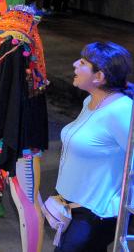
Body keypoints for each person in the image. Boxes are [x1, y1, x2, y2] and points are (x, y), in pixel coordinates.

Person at [53, 42, 132, 252]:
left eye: (83, 62)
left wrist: (119, 202)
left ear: (99, 77)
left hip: (95, 214)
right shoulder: (91, 100)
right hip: (73, 208)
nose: (74, 64)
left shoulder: (121, 110)